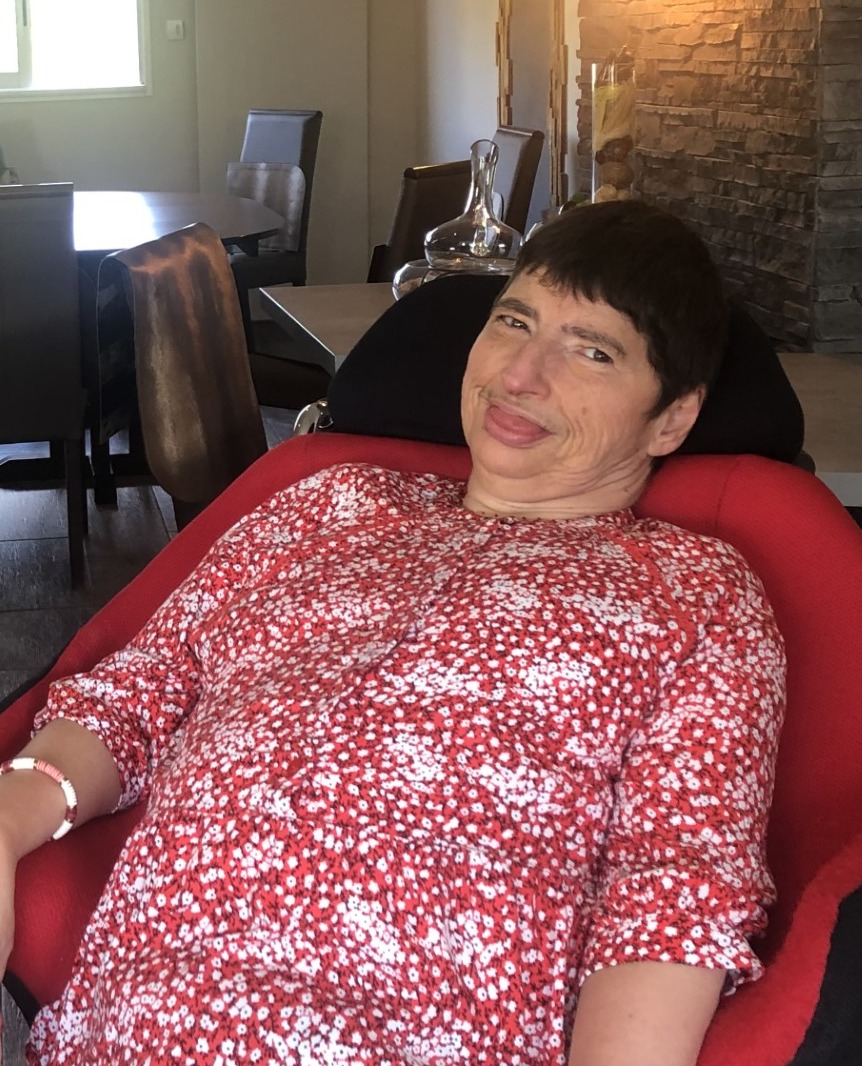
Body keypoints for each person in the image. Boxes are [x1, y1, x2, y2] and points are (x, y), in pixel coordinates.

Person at [0, 200, 786, 1066]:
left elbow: (672, 887)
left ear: (671, 418)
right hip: (134, 1017)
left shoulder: (693, 592)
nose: (520, 374)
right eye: (513, 322)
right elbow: (143, 686)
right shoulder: (329, 501)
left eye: (592, 351)